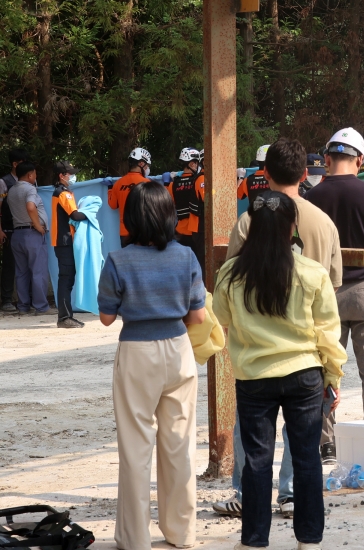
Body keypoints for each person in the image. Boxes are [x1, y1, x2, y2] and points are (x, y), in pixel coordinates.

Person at [214, 137, 343, 519]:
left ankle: (247, 496)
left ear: (264, 173)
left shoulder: (248, 220)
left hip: (254, 355)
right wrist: (333, 370)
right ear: (305, 174)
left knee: (253, 437)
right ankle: (291, 496)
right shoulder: (323, 222)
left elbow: (229, 282)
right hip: (306, 353)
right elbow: (332, 286)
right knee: (302, 439)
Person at [96, 181, 206, 550]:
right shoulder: (186, 256)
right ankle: (181, 532)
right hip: (178, 349)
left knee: (135, 446)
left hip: (136, 353)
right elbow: (198, 316)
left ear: (130, 219)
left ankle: (135, 537)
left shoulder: (118, 260)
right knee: (179, 443)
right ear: (169, 216)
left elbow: (106, 319)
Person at [303, 127, 364, 462]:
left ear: (327, 159)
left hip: (327, 293)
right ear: (360, 159)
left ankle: (327, 443)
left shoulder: (312, 198)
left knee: (324, 369)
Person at [8, 161, 51, 315]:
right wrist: (38, 226)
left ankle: (23, 306)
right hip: (32, 234)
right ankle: (41, 307)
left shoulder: (11, 190)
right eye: (35, 173)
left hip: (17, 235)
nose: (36, 176)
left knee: (21, 272)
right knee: (38, 271)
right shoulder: (30, 189)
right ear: (30, 175)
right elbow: (30, 206)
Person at [50, 161, 87, 328]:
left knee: (67, 278)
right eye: (70, 173)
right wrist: (90, 212)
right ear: (61, 175)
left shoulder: (60, 192)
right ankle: (64, 318)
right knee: (66, 278)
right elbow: (75, 215)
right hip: (64, 241)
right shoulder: (63, 193)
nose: (72, 176)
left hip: (63, 240)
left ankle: (66, 316)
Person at [0, 148, 28, 312]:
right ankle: (6, 300)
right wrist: (0, 229)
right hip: (9, 229)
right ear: (15, 164)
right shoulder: (4, 182)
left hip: (26, 229)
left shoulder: (30, 180)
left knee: (27, 265)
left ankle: (27, 300)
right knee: (9, 264)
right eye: (22, 164)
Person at [109, 147, 152, 247]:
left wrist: (109, 189)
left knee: (126, 257)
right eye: (147, 165)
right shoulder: (147, 183)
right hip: (142, 231)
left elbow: (113, 205)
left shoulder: (118, 183)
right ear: (141, 163)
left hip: (124, 232)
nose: (147, 168)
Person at [169, 148, 204, 268]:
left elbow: (169, 204)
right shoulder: (198, 180)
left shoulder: (173, 184)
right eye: (197, 163)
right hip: (195, 230)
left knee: (184, 266)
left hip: (179, 231)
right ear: (192, 164)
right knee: (199, 265)